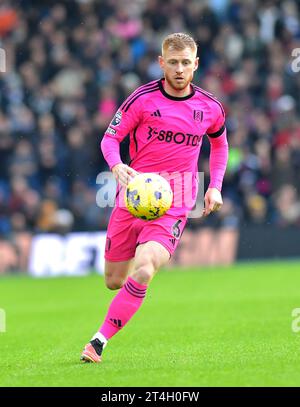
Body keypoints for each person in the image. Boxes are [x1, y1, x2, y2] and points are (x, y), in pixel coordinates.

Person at [80, 33, 228, 363]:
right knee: (113, 281)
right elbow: (110, 138)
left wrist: (214, 185)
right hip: (132, 199)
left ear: (196, 64)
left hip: (175, 202)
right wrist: (116, 165)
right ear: (161, 63)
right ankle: (136, 267)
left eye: (186, 63)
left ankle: (98, 341)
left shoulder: (210, 107)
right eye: (172, 62)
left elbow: (219, 144)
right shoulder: (142, 99)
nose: (179, 69)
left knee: (145, 269)